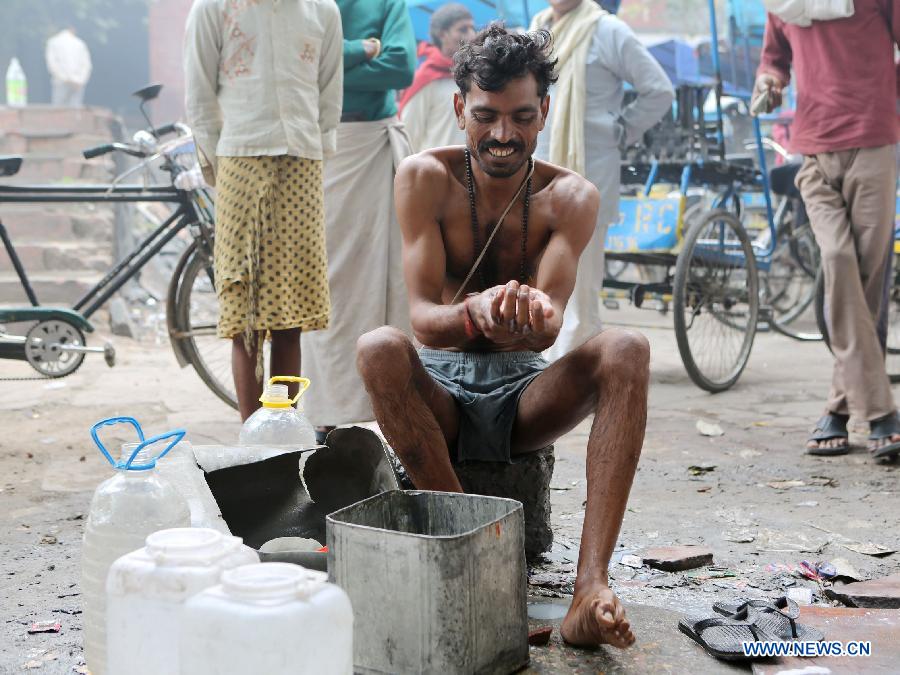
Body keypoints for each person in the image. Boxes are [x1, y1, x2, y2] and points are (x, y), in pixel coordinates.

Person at [356, 25, 647, 649]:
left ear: (544, 111)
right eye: (485, 116)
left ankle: (589, 588)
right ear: (460, 107)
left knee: (627, 348)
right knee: (378, 348)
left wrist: (532, 313)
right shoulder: (423, 178)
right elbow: (422, 319)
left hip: (525, 398)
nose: (503, 135)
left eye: (521, 116)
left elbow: (550, 321)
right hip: (443, 393)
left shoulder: (570, 196)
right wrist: (477, 312)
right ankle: (472, 557)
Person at [755, 0, 900, 460]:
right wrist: (770, 82)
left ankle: (837, 411)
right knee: (839, 261)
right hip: (813, 148)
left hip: (873, 140)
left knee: (867, 284)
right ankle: (880, 414)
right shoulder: (783, 3)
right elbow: (775, 58)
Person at [183, 0, 343, 420]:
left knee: (292, 316)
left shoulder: (323, 11)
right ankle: (251, 442)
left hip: (302, 163)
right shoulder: (213, 9)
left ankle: (282, 436)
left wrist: (318, 147)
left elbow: (329, 92)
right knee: (246, 318)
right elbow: (198, 94)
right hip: (240, 160)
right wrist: (222, 165)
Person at [530, 0, 674, 361]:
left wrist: (622, 129)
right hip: (538, 167)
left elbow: (659, 89)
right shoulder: (536, 31)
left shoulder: (608, 30)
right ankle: (541, 365)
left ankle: (576, 366)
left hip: (591, 167)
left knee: (580, 278)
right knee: (536, 270)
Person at [301, 0, 417, 438]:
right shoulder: (303, 6)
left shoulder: (387, 2)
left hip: (375, 141)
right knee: (326, 285)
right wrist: (362, 51)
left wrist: (327, 65)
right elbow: (294, 68)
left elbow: (400, 66)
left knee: (395, 282)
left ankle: (395, 406)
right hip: (323, 149)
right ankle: (327, 413)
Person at [399, 3, 475, 152]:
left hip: (472, 171)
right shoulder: (425, 79)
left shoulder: (475, 75)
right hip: (435, 171)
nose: (471, 35)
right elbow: (407, 137)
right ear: (442, 34)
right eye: (463, 29)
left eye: (473, 28)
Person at [45, 27, 92, 107]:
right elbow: (87, 65)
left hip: (60, 82)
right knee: (75, 112)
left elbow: (52, 64)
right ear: (72, 29)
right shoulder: (80, 43)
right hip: (78, 83)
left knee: (58, 112)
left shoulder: (53, 42)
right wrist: (80, 81)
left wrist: (66, 79)